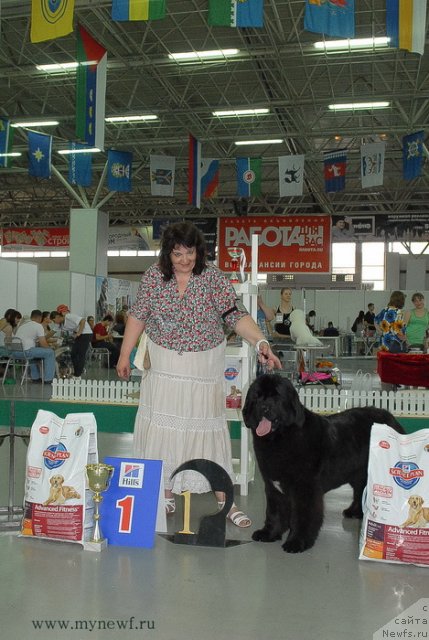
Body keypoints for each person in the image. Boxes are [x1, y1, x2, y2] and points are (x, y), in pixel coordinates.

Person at [116, 221, 281, 526]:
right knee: (162, 431)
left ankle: (226, 502)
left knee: (207, 430)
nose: (184, 260)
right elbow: (139, 315)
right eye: (177, 253)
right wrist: (125, 354)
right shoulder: (154, 276)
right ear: (168, 253)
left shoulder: (213, 277)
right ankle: (164, 496)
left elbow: (234, 314)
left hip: (203, 366)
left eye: (189, 252)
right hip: (164, 364)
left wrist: (261, 342)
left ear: (198, 251)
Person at [15, 309, 56, 383]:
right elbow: (43, 343)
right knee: (50, 353)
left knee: (33, 352)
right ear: (40, 318)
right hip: (26, 352)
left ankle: (35, 378)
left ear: (31, 317)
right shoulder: (38, 326)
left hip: (15, 352)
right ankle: (48, 380)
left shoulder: (22, 325)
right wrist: (50, 348)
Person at [50, 310, 93, 377]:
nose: (54, 322)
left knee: (81, 354)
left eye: (54, 320)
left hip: (86, 333)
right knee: (73, 354)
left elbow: (83, 320)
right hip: (79, 335)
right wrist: (43, 338)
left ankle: (78, 374)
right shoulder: (59, 324)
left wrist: (79, 332)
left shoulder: (68, 316)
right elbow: (52, 332)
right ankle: (76, 372)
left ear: (58, 317)